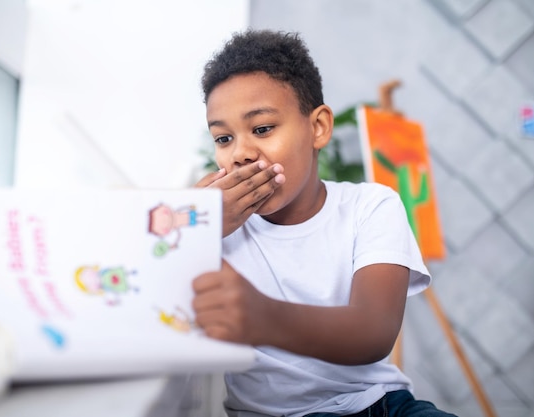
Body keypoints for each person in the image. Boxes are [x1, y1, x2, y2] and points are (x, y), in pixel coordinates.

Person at [192, 29, 457, 417]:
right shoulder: (206, 222)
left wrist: (261, 316)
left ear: (318, 128)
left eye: (262, 129)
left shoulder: (370, 207)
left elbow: (372, 333)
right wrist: (194, 226)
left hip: (379, 406)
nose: (240, 154)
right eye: (223, 138)